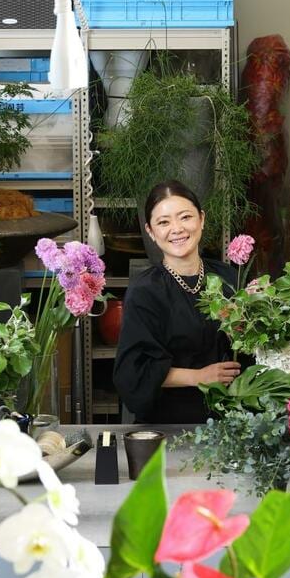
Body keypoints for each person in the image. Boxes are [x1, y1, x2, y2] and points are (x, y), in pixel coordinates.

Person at [113, 180, 241, 424]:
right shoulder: (145, 290)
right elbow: (133, 372)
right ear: (150, 232)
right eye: (163, 222)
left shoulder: (229, 277)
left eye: (185, 217)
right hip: (168, 420)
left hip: (231, 416)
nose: (177, 229)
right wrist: (199, 376)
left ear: (201, 219)